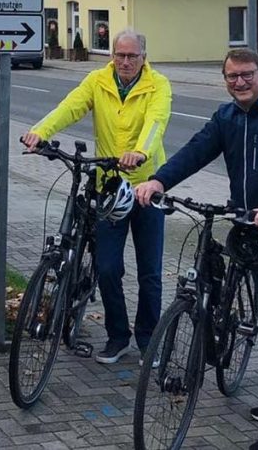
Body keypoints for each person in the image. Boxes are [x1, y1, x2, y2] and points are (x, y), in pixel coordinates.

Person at [135, 48, 258, 450]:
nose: (239, 83)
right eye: (231, 76)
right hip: (252, 232)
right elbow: (195, 151)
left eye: (246, 75)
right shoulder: (228, 117)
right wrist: (159, 181)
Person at [21, 28, 172, 365]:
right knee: (107, 268)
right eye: (120, 55)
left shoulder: (157, 84)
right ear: (111, 55)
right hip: (109, 187)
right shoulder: (98, 80)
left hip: (147, 186)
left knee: (150, 271)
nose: (125, 61)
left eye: (133, 56)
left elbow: (156, 122)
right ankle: (118, 337)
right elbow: (69, 107)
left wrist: (141, 152)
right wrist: (39, 132)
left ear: (144, 58)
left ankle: (148, 339)